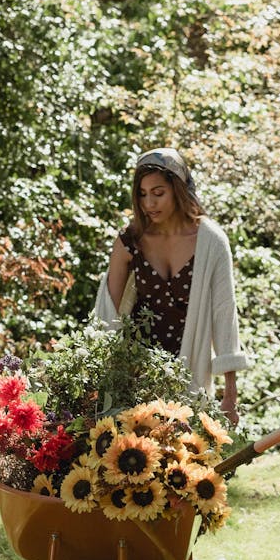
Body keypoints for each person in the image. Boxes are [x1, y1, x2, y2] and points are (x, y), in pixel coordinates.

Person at [94, 147, 247, 424]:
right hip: (134, 376)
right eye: (142, 194)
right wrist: (98, 386)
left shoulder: (211, 241)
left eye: (158, 192)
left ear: (178, 189)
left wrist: (230, 395)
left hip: (188, 373)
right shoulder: (130, 240)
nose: (149, 203)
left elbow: (224, 314)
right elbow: (107, 315)